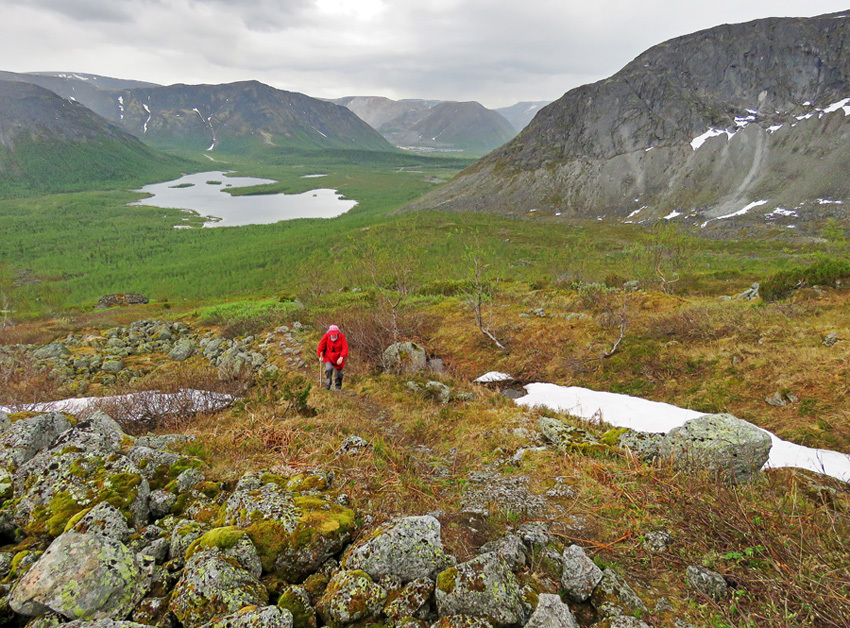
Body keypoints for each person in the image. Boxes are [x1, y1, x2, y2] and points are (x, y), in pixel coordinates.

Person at [317, 324, 349, 390]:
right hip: (328, 357)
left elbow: (345, 348)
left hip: (339, 358)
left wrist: (341, 357)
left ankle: (338, 388)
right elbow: (321, 347)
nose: (333, 335)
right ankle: (328, 384)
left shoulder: (342, 336)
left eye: (335, 334)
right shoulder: (326, 336)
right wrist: (320, 356)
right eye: (332, 334)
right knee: (328, 369)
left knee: (338, 375)